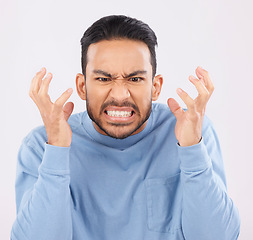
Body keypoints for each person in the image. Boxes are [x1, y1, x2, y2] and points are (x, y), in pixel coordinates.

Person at [11, 15, 240, 240]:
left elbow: (218, 236)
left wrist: (192, 151)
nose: (120, 95)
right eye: (103, 79)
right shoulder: (42, 146)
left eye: (135, 79)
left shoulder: (192, 132)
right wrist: (57, 151)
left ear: (155, 86)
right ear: (82, 86)